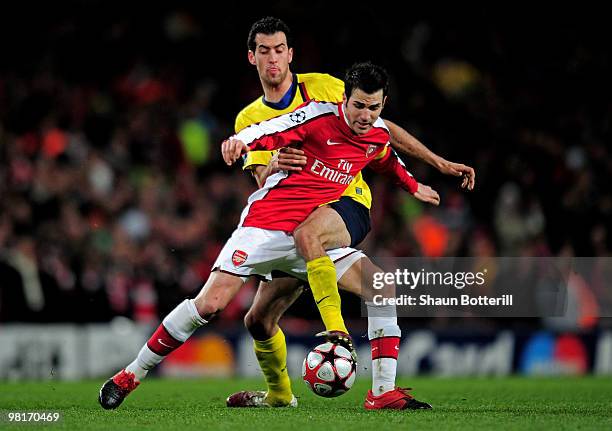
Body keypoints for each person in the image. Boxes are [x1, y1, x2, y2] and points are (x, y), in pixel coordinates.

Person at [98, 61, 438, 411]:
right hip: (267, 224)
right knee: (212, 305)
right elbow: (272, 129)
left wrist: (414, 186)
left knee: (379, 286)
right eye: (359, 106)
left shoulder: (374, 133)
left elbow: (385, 158)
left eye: (374, 108)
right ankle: (130, 375)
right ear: (344, 99)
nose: (366, 115)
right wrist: (239, 141)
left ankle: (381, 392)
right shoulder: (317, 117)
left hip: (312, 235)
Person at [225, 17, 474, 409]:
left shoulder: (324, 86)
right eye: (264, 51)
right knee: (257, 320)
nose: (272, 59)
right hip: (292, 213)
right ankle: (278, 395)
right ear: (252, 57)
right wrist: (276, 162)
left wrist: (437, 163)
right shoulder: (248, 119)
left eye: (279, 50)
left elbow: (376, 124)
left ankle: (358, 361)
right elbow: (261, 180)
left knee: (325, 247)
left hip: (345, 198)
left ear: (290, 54)